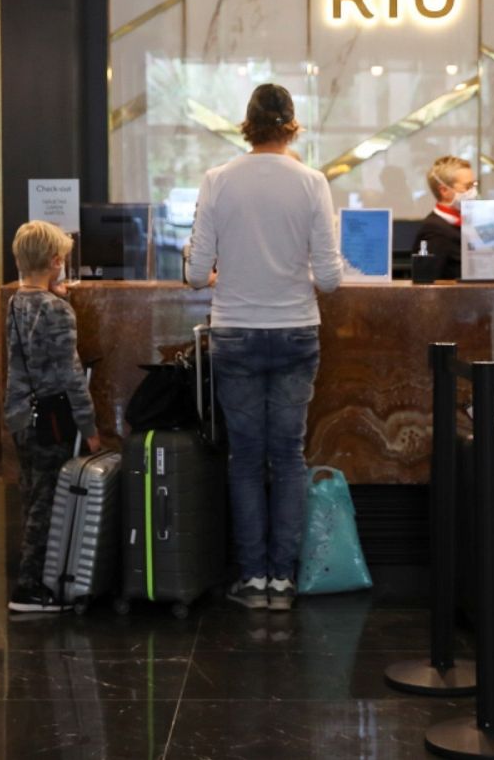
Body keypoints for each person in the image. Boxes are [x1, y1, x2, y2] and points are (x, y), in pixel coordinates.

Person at [186, 83, 343, 611]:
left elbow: (193, 273)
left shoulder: (217, 181)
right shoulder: (312, 182)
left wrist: (222, 266)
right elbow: (329, 279)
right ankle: (284, 579)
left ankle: (253, 578)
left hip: (235, 331)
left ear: (247, 124)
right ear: (291, 125)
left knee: (246, 459)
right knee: (289, 457)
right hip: (296, 329)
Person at [3, 220, 100, 614]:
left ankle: (32, 578)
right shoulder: (56, 310)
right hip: (50, 418)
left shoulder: (16, 301)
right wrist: (91, 429)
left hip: (20, 414)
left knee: (31, 496)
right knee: (47, 502)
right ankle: (28, 589)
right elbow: (70, 376)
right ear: (56, 260)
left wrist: (56, 296)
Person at [416, 156, 476, 280]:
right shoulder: (434, 231)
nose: (473, 191)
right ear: (444, 190)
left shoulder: (467, 222)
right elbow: (429, 285)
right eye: (468, 186)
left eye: (474, 185)